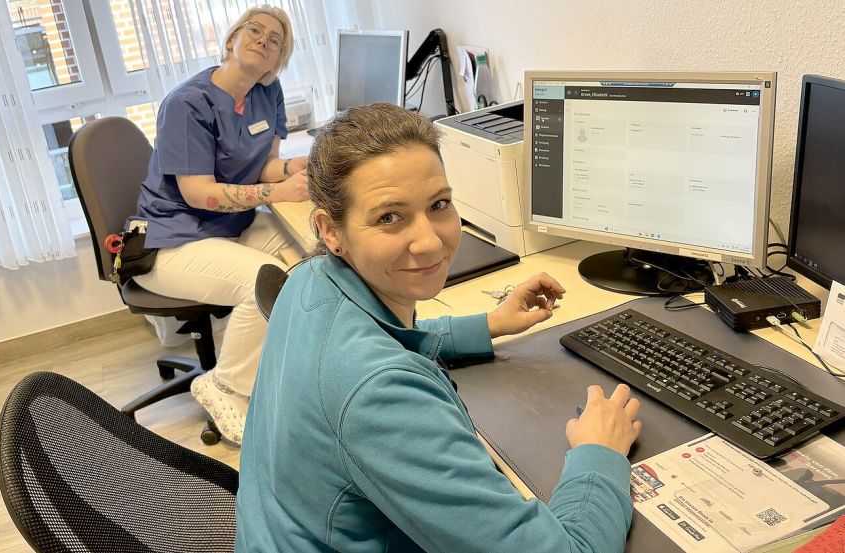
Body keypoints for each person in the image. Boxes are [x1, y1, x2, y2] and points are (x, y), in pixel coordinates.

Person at [236, 104, 643, 552]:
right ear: (330, 229)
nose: (430, 241)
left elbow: (381, 337)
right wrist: (599, 453)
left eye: (439, 205)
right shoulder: (380, 397)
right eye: (389, 217)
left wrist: (487, 324)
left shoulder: (310, 279)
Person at [130, 5, 308, 445]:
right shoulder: (187, 104)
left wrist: (301, 167)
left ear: (277, 61)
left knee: (310, 257)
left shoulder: (268, 91)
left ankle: (262, 365)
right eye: (255, 30)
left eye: (275, 41)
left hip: (228, 226)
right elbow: (198, 193)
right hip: (171, 239)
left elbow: (264, 166)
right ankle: (225, 387)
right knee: (261, 280)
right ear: (231, 40)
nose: (263, 41)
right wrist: (277, 193)